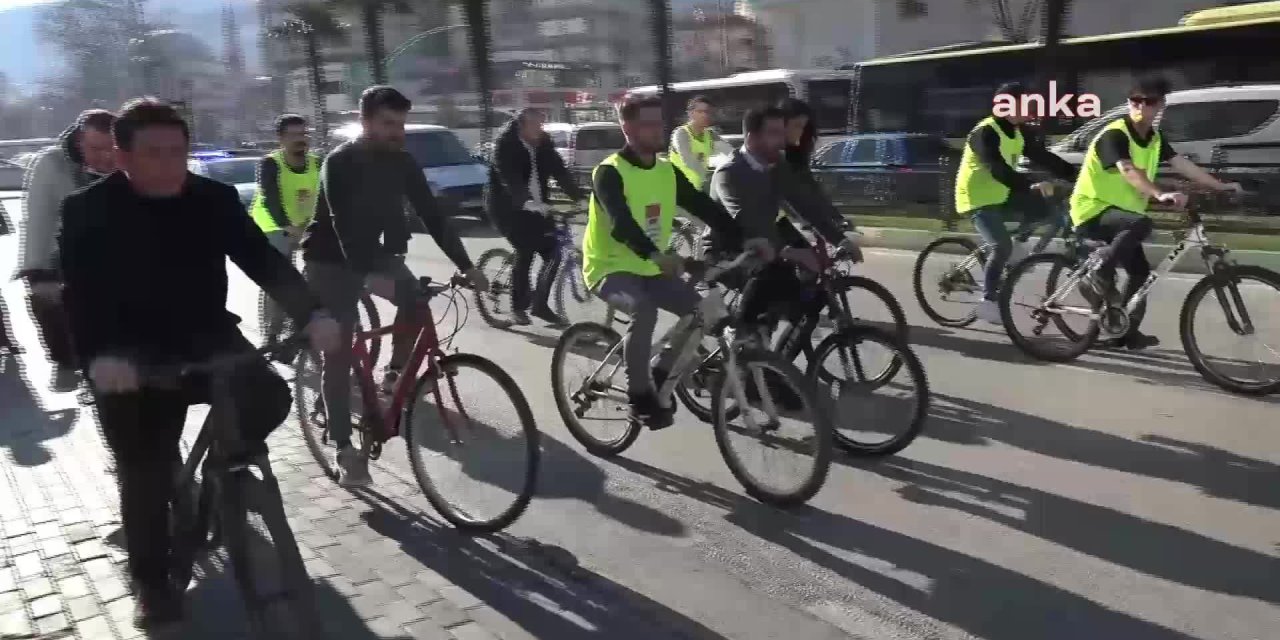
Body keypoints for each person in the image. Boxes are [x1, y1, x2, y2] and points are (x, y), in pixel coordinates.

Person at [57, 98, 341, 629]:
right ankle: (151, 583)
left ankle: (223, 473)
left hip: (207, 336)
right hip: (129, 353)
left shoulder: (214, 198)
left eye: (178, 153)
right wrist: (100, 360)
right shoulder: (87, 211)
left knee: (270, 394)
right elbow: (81, 299)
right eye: (154, 154)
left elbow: (262, 260)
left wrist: (313, 313)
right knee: (144, 476)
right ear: (120, 156)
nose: (170, 166)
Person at [302, 85, 487, 487]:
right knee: (339, 347)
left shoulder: (402, 161)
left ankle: (392, 377)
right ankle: (343, 447)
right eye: (388, 124)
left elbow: (434, 217)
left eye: (401, 124)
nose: (397, 132)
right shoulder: (340, 162)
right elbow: (342, 226)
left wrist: (467, 266)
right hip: (330, 261)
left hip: (372, 253)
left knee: (417, 302)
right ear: (364, 120)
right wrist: (367, 274)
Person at [584, 95, 757, 429]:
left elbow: (704, 207)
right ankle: (640, 398)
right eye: (647, 124)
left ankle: (660, 371)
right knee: (644, 310)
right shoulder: (608, 173)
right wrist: (655, 255)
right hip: (609, 267)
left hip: (652, 267)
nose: (656, 130)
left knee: (702, 312)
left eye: (658, 122)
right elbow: (621, 224)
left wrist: (743, 237)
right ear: (627, 127)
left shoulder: (666, 170)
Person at [1069, 76, 1242, 350]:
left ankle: (1122, 331)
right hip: (1093, 210)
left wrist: (1219, 186)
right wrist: (1159, 193)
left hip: (1123, 217)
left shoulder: (1154, 138)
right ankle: (1099, 272)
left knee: (1140, 273)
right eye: (1135, 101)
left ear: (1160, 106)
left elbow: (1182, 164)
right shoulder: (1114, 134)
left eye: (1148, 102)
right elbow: (1128, 170)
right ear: (1129, 103)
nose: (1140, 106)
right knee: (1143, 223)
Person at [709, 106, 863, 347]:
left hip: (763, 246)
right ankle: (740, 337)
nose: (781, 141)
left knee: (808, 300)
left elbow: (805, 205)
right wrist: (789, 252)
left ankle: (776, 365)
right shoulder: (729, 173)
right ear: (751, 137)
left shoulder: (776, 164)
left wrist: (839, 238)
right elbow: (748, 221)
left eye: (781, 133)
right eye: (773, 134)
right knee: (772, 274)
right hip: (727, 254)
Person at [954, 81, 1078, 324]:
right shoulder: (984, 133)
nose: (1029, 108)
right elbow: (997, 168)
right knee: (1001, 247)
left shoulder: (1020, 132)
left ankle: (1018, 244)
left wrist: (1077, 176)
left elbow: (1044, 158)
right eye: (1023, 103)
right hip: (976, 198)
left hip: (1002, 193)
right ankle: (988, 302)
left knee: (1046, 211)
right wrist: (1029, 184)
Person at [17, 109, 117, 391]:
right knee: (63, 313)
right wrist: (38, 269)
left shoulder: (128, 157)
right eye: (97, 148)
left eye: (112, 147)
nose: (106, 156)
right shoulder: (51, 165)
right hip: (63, 258)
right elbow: (39, 216)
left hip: (116, 259)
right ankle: (72, 366)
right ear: (79, 143)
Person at [484, 108, 586, 326]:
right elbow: (509, 178)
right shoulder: (506, 145)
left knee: (554, 252)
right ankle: (518, 307)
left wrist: (580, 198)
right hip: (507, 208)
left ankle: (540, 304)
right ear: (521, 125)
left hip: (539, 206)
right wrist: (525, 202)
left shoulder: (543, 143)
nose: (540, 129)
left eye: (542, 124)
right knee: (526, 249)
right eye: (536, 125)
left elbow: (560, 171)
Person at [249, 113, 321, 348]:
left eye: (303, 134)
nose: (300, 139)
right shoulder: (270, 163)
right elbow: (271, 199)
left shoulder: (316, 162)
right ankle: (271, 335)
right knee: (281, 278)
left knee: (321, 268)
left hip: (304, 225)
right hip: (273, 225)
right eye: (293, 135)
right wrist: (288, 227)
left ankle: (301, 322)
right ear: (280, 138)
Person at [668, 95, 721, 192]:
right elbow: (689, 161)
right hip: (676, 191)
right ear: (690, 113)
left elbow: (729, 152)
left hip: (697, 191)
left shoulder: (710, 134)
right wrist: (710, 178)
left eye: (708, 112)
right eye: (700, 112)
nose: (705, 115)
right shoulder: (681, 133)